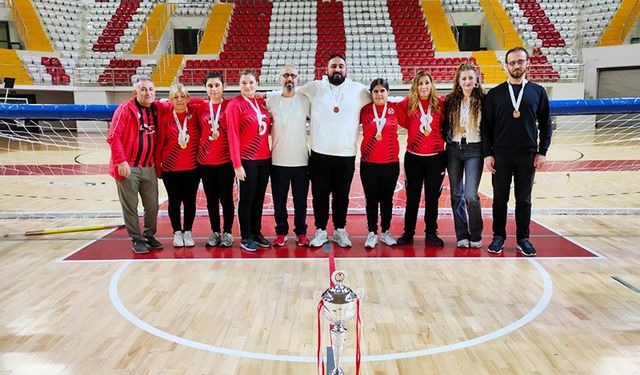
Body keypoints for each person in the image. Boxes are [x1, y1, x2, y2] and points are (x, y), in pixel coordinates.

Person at [482, 47, 552, 257]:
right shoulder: (495, 94)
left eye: (520, 62)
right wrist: (488, 153)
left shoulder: (538, 92)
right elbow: (486, 127)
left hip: (527, 155)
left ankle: (523, 238)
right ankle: (498, 237)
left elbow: (546, 124)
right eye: (512, 63)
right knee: (499, 198)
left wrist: (542, 152)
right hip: (501, 154)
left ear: (527, 63)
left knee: (524, 200)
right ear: (506, 66)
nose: (516, 66)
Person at [297, 54, 371, 248]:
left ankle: (339, 230)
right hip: (320, 153)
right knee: (319, 195)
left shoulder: (359, 90)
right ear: (326, 70)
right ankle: (320, 231)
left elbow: (382, 97)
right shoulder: (314, 87)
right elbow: (290, 93)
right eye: (333, 66)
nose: (337, 69)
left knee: (342, 195)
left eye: (340, 66)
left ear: (346, 70)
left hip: (346, 155)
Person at [107, 75, 163, 254]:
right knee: (130, 205)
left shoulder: (157, 109)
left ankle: (148, 234)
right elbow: (113, 136)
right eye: (143, 89)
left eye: (151, 89)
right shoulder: (125, 109)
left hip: (150, 166)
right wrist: (120, 161)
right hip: (128, 166)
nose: (148, 93)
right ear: (135, 92)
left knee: (152, 204)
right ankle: (136, 239)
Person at [395, 71, 447, 246]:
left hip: (436, 159)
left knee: (432, 198)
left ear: (431, 85)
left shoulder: (440, 104)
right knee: (412, 197)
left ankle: (431, 233)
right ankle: (408, 233)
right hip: (414, 159)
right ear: (415, 87)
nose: (423, 86)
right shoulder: (407, 104)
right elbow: (391, 108)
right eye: (420, 83)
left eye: (426, 83)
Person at [226, 70, 272, 252]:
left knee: (259, 199)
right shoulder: (234, 105)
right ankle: (246, 236)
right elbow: (233, 135)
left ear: (257, 84)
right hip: (247, 160)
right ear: (239, 85)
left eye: (251, 82)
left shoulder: (261, 104)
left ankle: (256, 232)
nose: (248, 86)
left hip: (264, 159)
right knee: (246, 199)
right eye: (244, 83)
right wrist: (237, 164)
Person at [266, 65, 311, 247]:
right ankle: (281, 231)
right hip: (278, 160)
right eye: (286, 75)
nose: (289, 78)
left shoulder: (305, 100)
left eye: (293, 75)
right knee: (279, 201)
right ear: (279, 79)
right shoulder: (271, 100)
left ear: (298, 79)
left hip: (301, 160)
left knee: (301, 201)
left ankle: (301, 232)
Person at [442, 62, 486, 249]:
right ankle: (461, 234)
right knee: (456, 194)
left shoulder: (484, 100)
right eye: (464, 78)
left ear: (476, 80)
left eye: (470, 78)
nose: (467, 81)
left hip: (475, 149)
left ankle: (476, 234)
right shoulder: (451, 100)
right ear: (458, 82)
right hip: (454, 149)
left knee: (470, 195)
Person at [359, 78, 404, 248]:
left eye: (382, 91)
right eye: (376, 91)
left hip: (390, 163)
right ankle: (372, 233)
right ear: (371, 93)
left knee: (387, 199)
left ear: (388, 92)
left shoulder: (396, 108)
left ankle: (385, 232)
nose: (379, 94)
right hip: (369, 163)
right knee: (371, 200)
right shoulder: (364, 110)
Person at [156, 83, 200, 248]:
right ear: (170, 100)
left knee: (190, 201)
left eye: (183, 96)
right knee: (174, 201)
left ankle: (187, 231)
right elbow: (160, 144)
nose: (179, 100)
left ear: (188, 98)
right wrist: (158, 168)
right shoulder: (165, 117)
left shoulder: (194, 114)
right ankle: (176, 232)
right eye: (176, 97)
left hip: (192, 168)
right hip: (170, 168)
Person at [196, 71, 235, 248]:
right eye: (210, 86)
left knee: (226, 199)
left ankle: (227, 232)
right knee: (211, 200)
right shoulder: (199, 107)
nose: (213, 89)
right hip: (205, 162)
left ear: (223, 86)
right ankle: (215, 232)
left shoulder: (231, 105)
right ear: (205, 88)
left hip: (226, 162)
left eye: (217, 85)